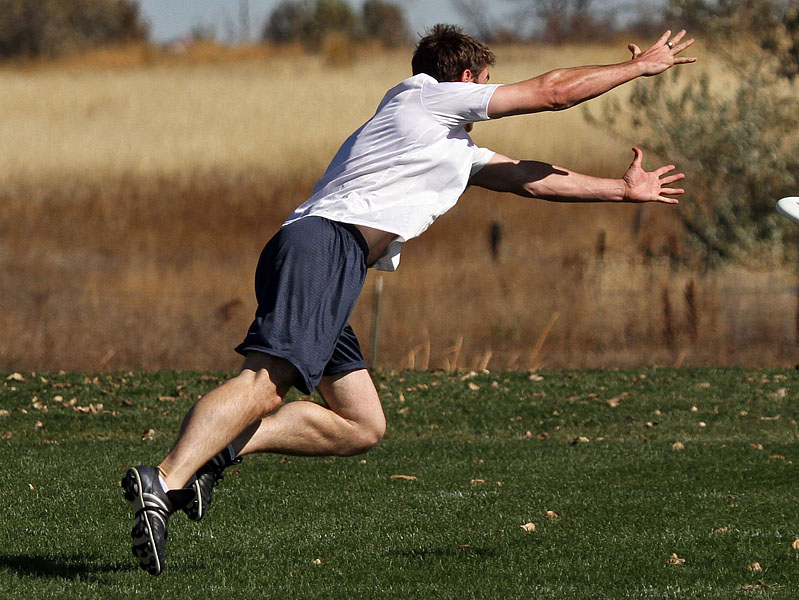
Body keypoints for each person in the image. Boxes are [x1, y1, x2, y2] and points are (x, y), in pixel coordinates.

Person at [122, 24, 696, 576]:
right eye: (488, 83)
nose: (492, 95)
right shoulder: (425, 100)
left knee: (361, 423)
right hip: (326, 245)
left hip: (326, 256)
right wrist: (638, 68)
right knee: (263, 384)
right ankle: (166, 480)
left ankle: (213, 458)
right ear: (466, 78)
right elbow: (549, 94)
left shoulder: (446, 142)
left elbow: (529, 177)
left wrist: (620, 190)